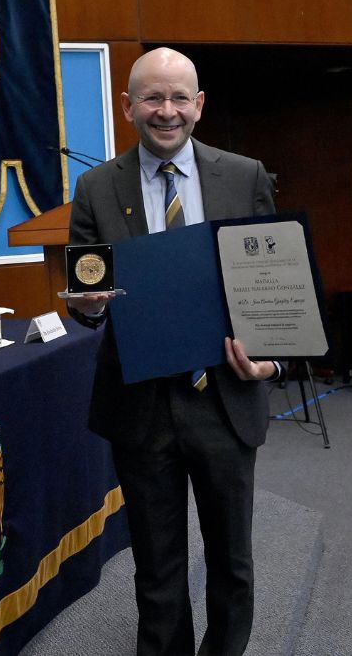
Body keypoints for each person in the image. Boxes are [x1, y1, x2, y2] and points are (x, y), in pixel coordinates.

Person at [66, 47, 283, 656]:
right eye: (153, 98)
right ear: (128, 105)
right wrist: (88, 308)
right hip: (141, 407)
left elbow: (274, 285)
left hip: (226, 400)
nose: (167, 112)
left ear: (200, 105)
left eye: (179, 98)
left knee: (232, 566)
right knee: (157, 573)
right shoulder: (94, 187)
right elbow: (87, 296)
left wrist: (271, 357)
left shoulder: (245, 176)